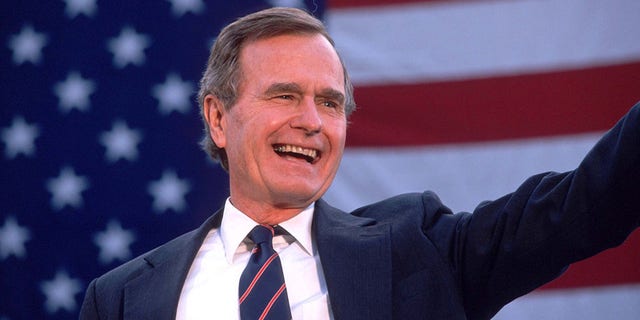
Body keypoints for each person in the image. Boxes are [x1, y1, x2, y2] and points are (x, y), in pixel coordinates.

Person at [79, 7, 640, 320]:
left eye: (330, 103)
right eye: (284, 95)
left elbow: (577, 209)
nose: (312, 121)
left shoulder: (417, 250)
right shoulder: (123, 299)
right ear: (219, 118)